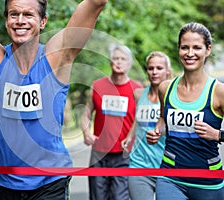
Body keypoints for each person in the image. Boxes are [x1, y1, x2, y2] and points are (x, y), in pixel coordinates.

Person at [0, 0, 108, 199]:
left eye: (28, 14)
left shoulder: (57, 57)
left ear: (43, 21)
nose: (20, 21)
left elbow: (95, 3)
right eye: (13, 14)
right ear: (6, 20)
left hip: (48, 184)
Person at [147, 22, 224, 200]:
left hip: (208, 181)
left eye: (197, 47)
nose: (190, 53)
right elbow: (163, 120)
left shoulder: (218, 92)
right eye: (184, 47)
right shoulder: (165, 88)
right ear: (179, 49)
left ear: (208, 50)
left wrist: (217, 134)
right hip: (170, 177)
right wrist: (158, 131)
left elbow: (218, 135)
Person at [81, 44, 143, 200]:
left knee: (119, 197)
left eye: (123, 59)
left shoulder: (137, 89)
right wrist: (86, 132)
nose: (119, 62)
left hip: (124, 155)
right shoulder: (97, 86)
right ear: (110, 61)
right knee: (97, 197)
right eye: (116, 58)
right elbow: (87, 113)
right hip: (99, 154)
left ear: (129, 63)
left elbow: (140, 120)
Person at [121, 51, 172, 200]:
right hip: (139, 164)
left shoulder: (175, 96)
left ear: (167, 71)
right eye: (150, 68)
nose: (154, 72)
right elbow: (138, 118)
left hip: (166, 166)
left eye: (159, 68)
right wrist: (129, 136)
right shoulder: (138, 94)